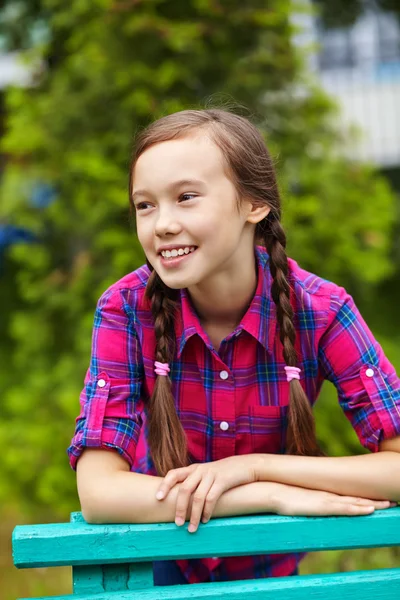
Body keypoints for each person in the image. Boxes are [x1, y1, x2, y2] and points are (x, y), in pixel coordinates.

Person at [68, 109, 400, 586]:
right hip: (153, 571)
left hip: (273, 578)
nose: (161, 224)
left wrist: (253, 468)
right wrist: (264, 493)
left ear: (253, 204)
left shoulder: (323, 312)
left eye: (185, 198)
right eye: (145, 205)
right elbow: (99, 495)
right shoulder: (125, 309)